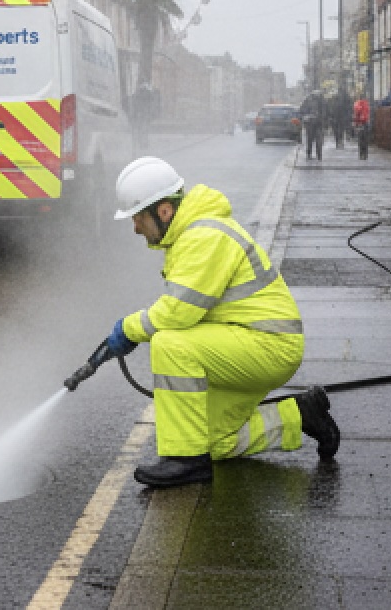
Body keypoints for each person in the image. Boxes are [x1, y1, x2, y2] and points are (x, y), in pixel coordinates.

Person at [103, 156, 340, 488]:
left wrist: (127, 330)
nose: (135, 228)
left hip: (267, 345)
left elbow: (177, 312)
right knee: (213, 441)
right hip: (249, 343)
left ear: (164, 211)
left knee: (170, 344)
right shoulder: (193, 233)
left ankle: (185, 460)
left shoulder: (203, 236)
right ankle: (301, 416)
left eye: (138, 218)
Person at [298, 90, 325, 160]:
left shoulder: (322, 101)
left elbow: (325, 111)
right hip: (310, 123)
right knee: (310, 139)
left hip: (319, 123)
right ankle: (309, 154)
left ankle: (319, 155)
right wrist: (306, 116)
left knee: (318, 139)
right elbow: (301, 111)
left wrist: (324, 119)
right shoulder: (307, 100)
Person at [352, 94, 370, 160]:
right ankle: (365, 154)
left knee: (360, 139)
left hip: (360, 123)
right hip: (365, 123)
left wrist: (355, 123)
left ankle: (361, 154)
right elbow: (368, 114)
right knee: (365, 139)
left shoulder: (357, 104)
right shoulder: (367, 104)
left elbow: (356, 114)